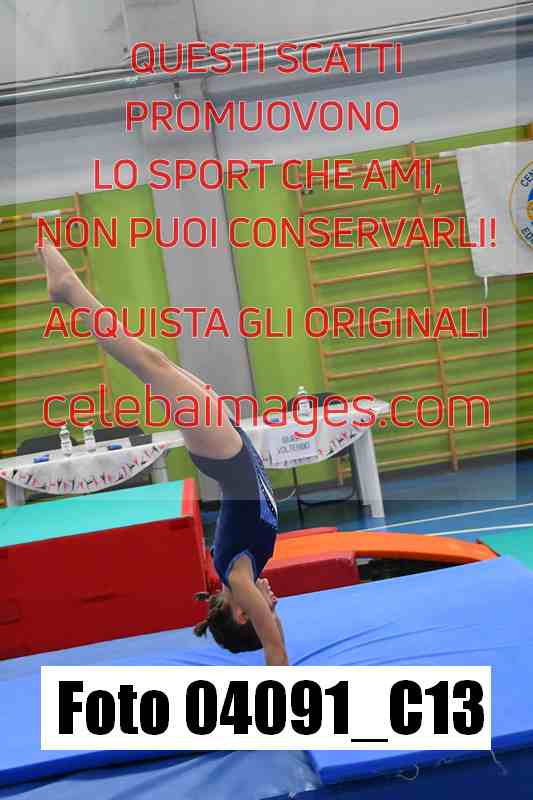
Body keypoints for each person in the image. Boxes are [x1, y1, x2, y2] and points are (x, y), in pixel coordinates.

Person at [35, 240, 288, 666]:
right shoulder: (249, 566)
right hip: (232, 445)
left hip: (225, 457)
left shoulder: (239, 577)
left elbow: (275, 648)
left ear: (244, 614)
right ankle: (67, 288)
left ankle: (69, 288)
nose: (275, 602)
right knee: (157, 363)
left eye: (271, 611)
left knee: (148, 364)